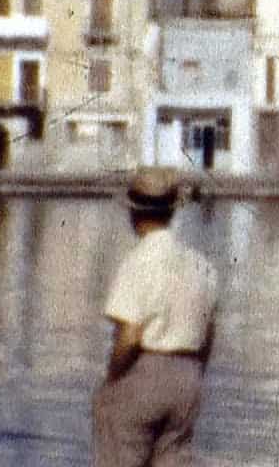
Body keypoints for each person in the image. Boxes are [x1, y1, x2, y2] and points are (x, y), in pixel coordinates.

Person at [92, 168, 219, 467]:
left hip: (144, 373)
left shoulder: (137, 262)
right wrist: (192, 374)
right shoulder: (201, 265)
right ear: (173, 212)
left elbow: (130, 336)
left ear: (134, 215)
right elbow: (209, 334)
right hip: (189, 378)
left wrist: (112, 381)